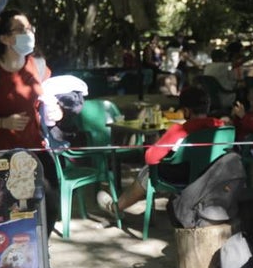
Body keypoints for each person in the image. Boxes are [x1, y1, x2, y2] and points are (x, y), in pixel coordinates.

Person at [0, 8, 63, 225]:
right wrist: (3, 123)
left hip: (34, 152)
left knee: (50, 206)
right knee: (1, 216)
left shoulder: (38, 64)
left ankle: (41, 251)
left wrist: (55, 111)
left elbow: (47, 100)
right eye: (20, 29)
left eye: (30, 28)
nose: (28, 33)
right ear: (5, 38)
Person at [96, 85, 225, 216]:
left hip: (183, 178)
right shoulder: (222, 127)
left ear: (186, 111)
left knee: (147, 172)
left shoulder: (179, 130)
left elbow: (150, 158)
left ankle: (116, 208)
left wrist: (158, 142)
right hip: (212, 174)